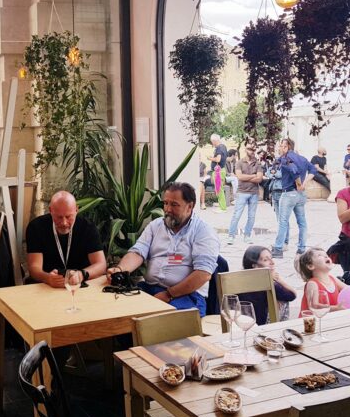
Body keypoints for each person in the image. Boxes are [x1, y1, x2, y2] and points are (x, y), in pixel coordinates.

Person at [107, 182, 220, 315]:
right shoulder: (155, 226)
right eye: (165, 203)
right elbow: (138, 252)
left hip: (185, 295)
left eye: (174, 205)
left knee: (158, 322)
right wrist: (120, 270)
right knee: (117, 309)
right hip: (150, 288)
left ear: (190, 206)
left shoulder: (203, 231)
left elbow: (203, 274)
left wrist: (168, 294)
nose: (168, 209)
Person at [25, 191, 107, 287]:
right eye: (59, 217)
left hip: (80, 285)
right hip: (47, 285)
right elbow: (34, 268)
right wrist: (47, 278)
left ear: (76, 210)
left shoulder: (88, 227)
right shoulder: (36, 227)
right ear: (50, 210)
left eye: (68, 217)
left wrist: (81, 275)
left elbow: (101, 264)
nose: (64, 223)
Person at [272, 138, 316, 258]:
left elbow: (294, 170)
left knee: (283, 222)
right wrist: (304, 183)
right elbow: (313, 170)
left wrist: (299, 183)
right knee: (302, 222)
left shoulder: (285, 158)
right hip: (300, 195)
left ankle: (278, 248)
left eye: (282, 146)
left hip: (289, 193)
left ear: (287, 147)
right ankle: (301, 248)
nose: (280, 148)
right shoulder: (302, 158)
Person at [238, 245, 296, 324]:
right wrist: (278, 279)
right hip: (262, 327)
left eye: (271, 258)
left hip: (241, 324)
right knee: (284, 301)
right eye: (266, 260)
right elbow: (292, 295)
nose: (272, 262)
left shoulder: (238, 280)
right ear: (254, 266)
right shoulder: (268, 283)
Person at [227, 144, 263, 244]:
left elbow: (259, 178)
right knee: (237, 215)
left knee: (251, 216)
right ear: (245, 149)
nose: (251, 151)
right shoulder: (239, 162)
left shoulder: (258, 163)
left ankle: (247, 236)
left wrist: (247, 176)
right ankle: (231, 236)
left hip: (254, 193)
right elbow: (239, 177)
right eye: (249, 149)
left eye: (253, 149)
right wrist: (253, 176)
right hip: (242, 192)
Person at [297, 247, 346, 312]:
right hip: (311, 321)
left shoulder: (332, 279)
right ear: (311, 266)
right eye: (320, 255)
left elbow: (349, 289)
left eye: (326, 255)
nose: (326, 257)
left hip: (329, 319)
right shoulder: (312, 284)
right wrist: (335, 308)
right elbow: (314, 306)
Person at [208, 134, 228, 210]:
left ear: (214, 140)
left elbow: (218, 159)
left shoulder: (219, 148)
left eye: (212, 142)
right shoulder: (224, 147)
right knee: (219, 189)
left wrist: (210, 158)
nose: (212, 143)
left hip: (218, 171)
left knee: (219, 189)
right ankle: (221, 205)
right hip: (221, 170)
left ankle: (223, 208)